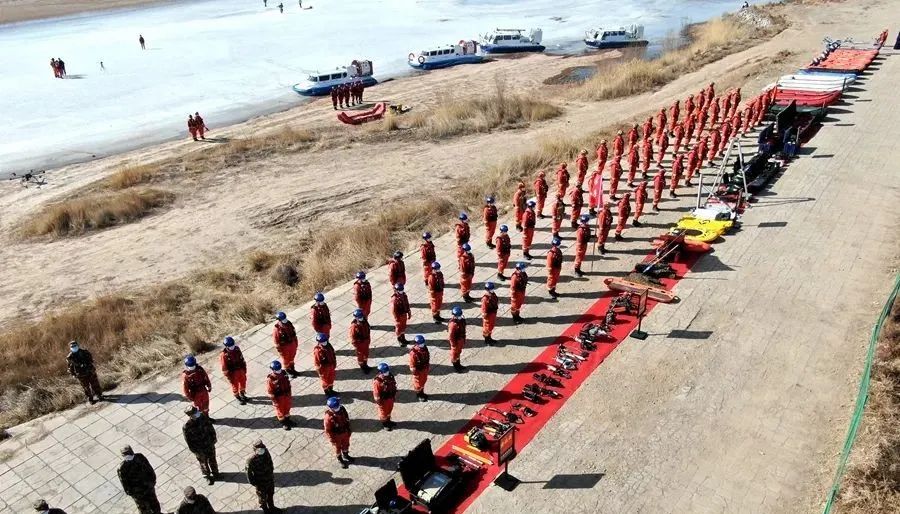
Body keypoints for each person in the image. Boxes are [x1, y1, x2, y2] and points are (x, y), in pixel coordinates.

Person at [182, 406, 219, 485]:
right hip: (199, 448)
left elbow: (210, 427)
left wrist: (214, 438)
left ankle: (216, 473)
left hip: (209, 443)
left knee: (212, 459)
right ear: (191, 415)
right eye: (195, 413)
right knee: (203, 463)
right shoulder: (187, 426)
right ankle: (207, 476)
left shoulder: (202, 416)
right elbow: (188, 440)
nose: (198, 413)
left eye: (197, 411)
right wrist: (195, 451)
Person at [118, 446, 161, 514]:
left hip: (148, 487)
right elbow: (125, 484)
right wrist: (133, 493)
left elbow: (149, 468)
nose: (130, 456)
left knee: (154, 504)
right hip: (138, 493)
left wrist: (153, 481)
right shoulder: (122, 468)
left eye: (130, 454)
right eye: (127, 455)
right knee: (144, 509)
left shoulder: (140, 457)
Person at [247, 441, 281, 513]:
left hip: (269, 479)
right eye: (260, 449)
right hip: (260, 482)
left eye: (263, 448)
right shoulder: (251, 460)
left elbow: (270, 461)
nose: (262, 450)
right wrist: (254, 483)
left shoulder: (266, 452)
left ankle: (272, 507)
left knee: (270, 494)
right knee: (263, 498)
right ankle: (266, 510)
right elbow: (248, 473)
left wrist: (271, 472)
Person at [324, 397, 353, 468]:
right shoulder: (328, 417)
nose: (339, 407)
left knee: (346, 444)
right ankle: (340, 459)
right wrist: (332, 439)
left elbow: (347, 419)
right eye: (337, 406)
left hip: (345, 432)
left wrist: (348, 430)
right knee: (338, 448)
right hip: (336, 436)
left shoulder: (342, 409)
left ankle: (346, 455)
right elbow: (328, 430)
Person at [266, 361, 294, 430]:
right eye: (277, 369)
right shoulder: (271, 379)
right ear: (273, 370)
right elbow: (270, 392)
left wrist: (289, 395)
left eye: (279, 369)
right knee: (280, 412)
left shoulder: (284, 373)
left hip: (286, 396)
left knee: (287, 409)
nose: (279, 371)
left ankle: (288, 420)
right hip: (279, 398)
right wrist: (275, 401)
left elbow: (288, 384)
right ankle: (284, 423)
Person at [220, 336, 248, 405]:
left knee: (243, 381)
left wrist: (244, 369)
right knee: (235, 385)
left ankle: (242, 394)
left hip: (240, 369)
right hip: (232, 373)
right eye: (230, 346)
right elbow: (224, 368)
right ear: (226, 346)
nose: (232, 347)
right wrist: (229, 377)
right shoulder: (224, 355)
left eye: (232, 345)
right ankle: (237, 397)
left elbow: (242, 359)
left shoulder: (237, 349)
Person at [273, 311, 300, 378]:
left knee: (292, 357)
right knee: (286, 359)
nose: (285, 320)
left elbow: (293, 333)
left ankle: (292, 369)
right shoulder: (277, 329)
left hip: (292, 344)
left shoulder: (288, 323)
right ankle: (288, 370)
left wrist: (295, 343)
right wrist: (280, 350)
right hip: (284, 347)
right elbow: (276, 341)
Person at [372, 363, 398, 430]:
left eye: (387, 371)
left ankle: (388, 421)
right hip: (383, 401)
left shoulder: (390, 376)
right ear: (381, 372)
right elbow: (376, 393)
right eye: (385, 372)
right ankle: (385, 424)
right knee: (383, 413)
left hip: (390, 398)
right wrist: (380, 403)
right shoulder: (377, 381)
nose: (387, 372)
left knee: (389, 410)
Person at [347, 309, 372, 374]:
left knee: (366, 354)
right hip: (360, 344)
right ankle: (362, 366)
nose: (361, 318)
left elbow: (367, 329)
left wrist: (368, 340)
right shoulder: (354, 327)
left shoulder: (364, 321)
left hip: (366, 341)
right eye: (359, 317)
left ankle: (365, 364)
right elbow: (353, 339)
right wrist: (358, 346)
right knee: (361, 356)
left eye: (361, 316)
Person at [313, 333, 337, 397]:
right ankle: (327, 392)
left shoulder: (329, 346)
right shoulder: (318, 351)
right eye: (322, 342)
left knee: (331, 379)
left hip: (331, 366)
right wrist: (320, 372)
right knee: (325, 381)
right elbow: (317, 362)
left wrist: (334, 364)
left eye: (325, 341)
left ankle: (331, 390)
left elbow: (333, 355)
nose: (324, 342)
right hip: (324, 369)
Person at [408, 335, 430, 401]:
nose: (422, 344)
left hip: (424, 368)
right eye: (421, 343)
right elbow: (412, 365)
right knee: (418, 383)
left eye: (423, 343)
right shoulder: (413, 353)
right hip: (418, 371)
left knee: (423, 381)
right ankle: (419, 394)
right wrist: (416, 374)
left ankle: (422, 392)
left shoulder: (424, 348)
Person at [448, 306, 466, 372]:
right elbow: (451, 336)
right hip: (456, 342)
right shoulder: (453, 325)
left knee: (458, 353)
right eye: (458, 316)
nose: (460, 317)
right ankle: (456, 366)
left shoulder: (461, 320)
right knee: (455, 354)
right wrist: (453, 345)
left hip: (460, 340)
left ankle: (458, 364)